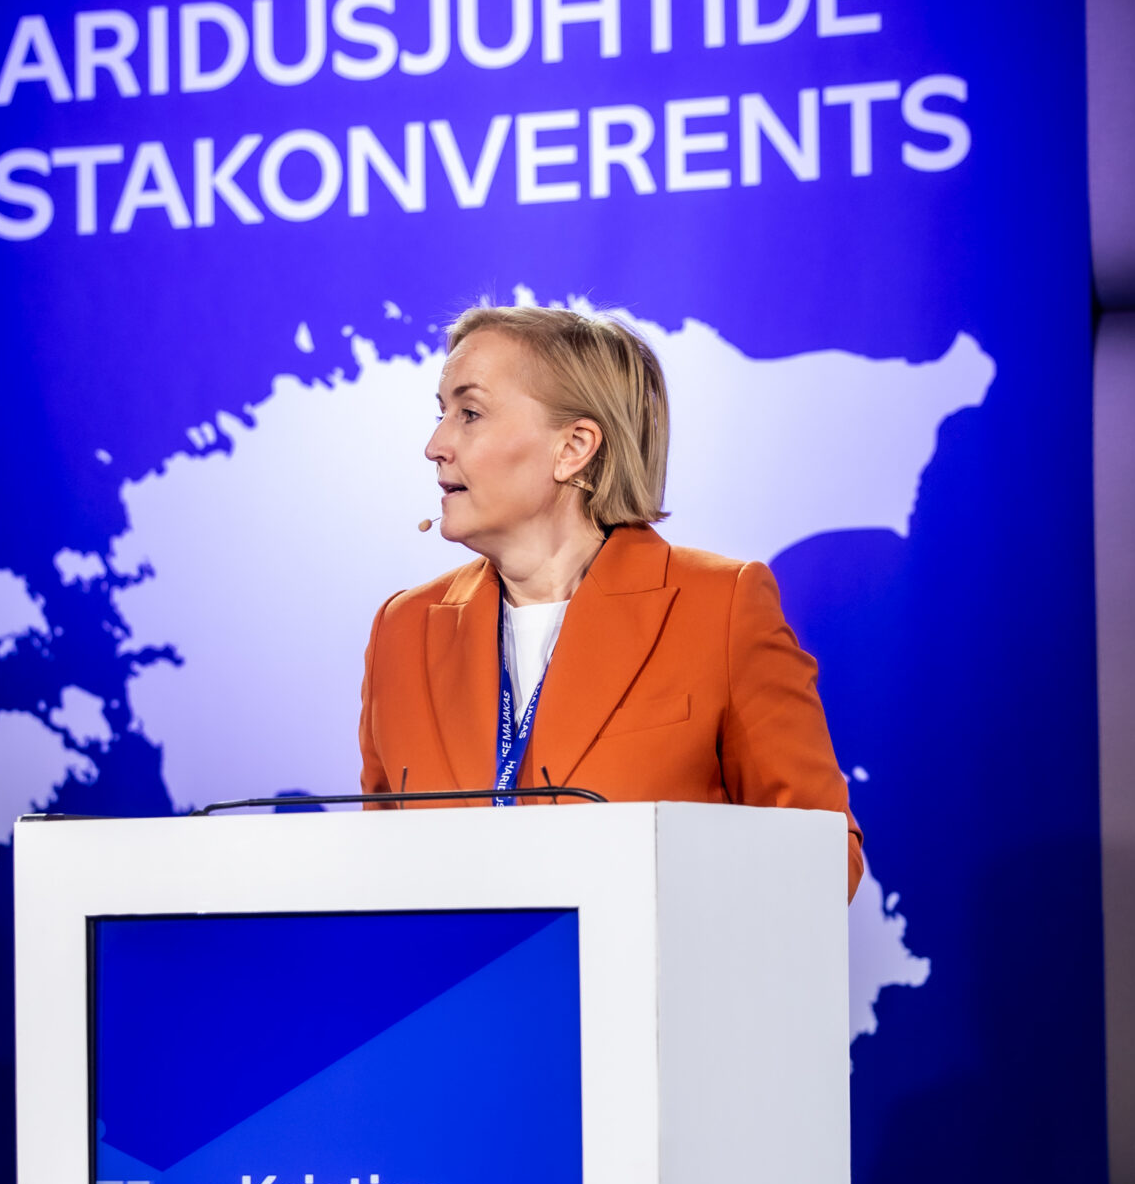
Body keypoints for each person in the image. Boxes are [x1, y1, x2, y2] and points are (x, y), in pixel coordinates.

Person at [358, 303, 864, 896]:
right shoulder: (403, 628)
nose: (435, 445)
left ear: (573, 447)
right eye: (441, 414)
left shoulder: (720, 606)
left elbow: (821, 861)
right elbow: (376, 880)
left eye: (469, 413)